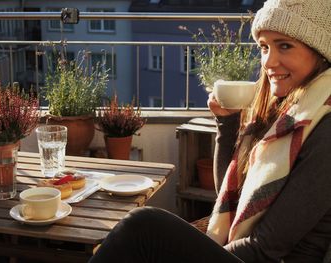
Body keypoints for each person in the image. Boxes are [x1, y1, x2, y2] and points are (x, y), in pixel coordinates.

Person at [89, 0, 331, 262]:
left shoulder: (322, 126)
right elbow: (230, 195)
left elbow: (265, 248)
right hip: (245, 252)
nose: (268, 61)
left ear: (320, 50)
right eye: (264, 47)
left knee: (142, 226)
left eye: (285, 46)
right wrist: (226, 123)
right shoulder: (287, 111)